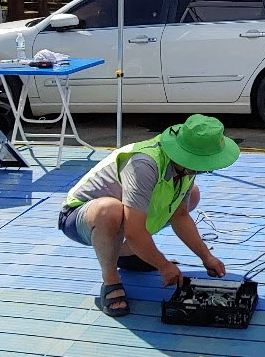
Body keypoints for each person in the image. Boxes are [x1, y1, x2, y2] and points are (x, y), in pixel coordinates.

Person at [57, 114, 239, 317]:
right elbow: (134, 231)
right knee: (110, 211)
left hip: (124, 221)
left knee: (192, 195)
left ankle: (125, 253)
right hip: (78, 216)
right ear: (190, 155)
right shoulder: (144, 164)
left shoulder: (185, 167)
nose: (209, 168)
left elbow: (180, 216)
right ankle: (110, 278)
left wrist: (206, 257)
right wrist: (163, 265)